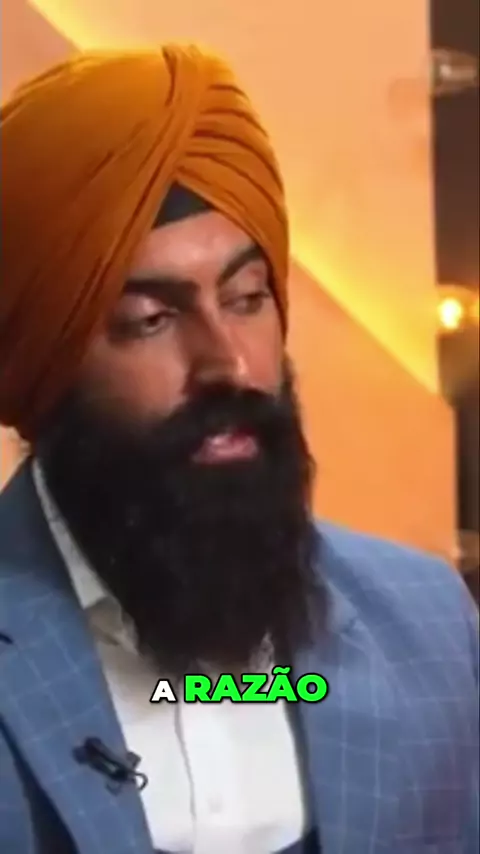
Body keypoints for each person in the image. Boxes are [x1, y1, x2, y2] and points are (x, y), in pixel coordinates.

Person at [0, 45, 478, 854]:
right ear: (45, 364)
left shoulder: (428, 622)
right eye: (151, 319)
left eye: (248, 298)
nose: (230, 364)